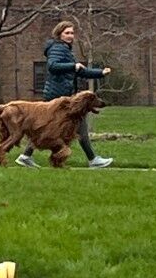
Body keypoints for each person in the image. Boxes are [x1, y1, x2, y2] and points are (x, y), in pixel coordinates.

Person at [18, 21, 113, 168]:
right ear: (59, 34)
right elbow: (52, 66)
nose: (70, 36)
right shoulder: (57, 48)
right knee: (77, 126)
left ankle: (25, 156)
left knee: (49, 128)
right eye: (67, 33)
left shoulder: (65, 49)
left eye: (72, 33)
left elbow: (80, 71)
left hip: (64, 96)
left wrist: (100, 73)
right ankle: (93, 160)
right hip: (58, 96)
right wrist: (72, 66)